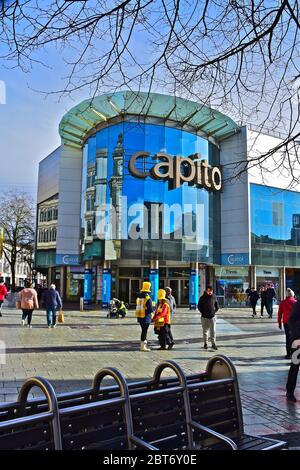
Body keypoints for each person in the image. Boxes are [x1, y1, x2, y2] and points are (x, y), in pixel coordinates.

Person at [286, 300, 300, 402]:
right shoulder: (298, 304)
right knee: (294, 367)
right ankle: (290, 392)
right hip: (298, 343)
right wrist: (296, 338)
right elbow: (291, 320)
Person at [198, 285, 219, 350]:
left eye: (211, 291)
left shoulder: (214, 297)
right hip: (204, 317)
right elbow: (199, 306)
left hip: (212, 317)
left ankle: (213, 344)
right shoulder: (202, 298)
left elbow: (217, 306)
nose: (210, 292)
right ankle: (205, 344)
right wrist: (203, 312)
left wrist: (214, 312)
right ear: (206, 290)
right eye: (209, 291)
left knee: (213, 331)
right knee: (205, 331)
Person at [278, 288, 297, 359]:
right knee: (294, 338)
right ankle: (294, 353)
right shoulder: (295, 302)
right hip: (294, 323)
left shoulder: (283, 302)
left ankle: (288, 354)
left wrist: (279, 322)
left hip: (286, 322)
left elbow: (280, 313)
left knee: (287, 337)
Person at [135, 281, 153, 351]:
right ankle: (143, 347)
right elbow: (150, 309)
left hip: (140, 316)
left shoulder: (139, 297)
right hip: (146, 317)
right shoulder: (147, 298)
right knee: (144, 331)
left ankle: (143, 345)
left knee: (143, 330)